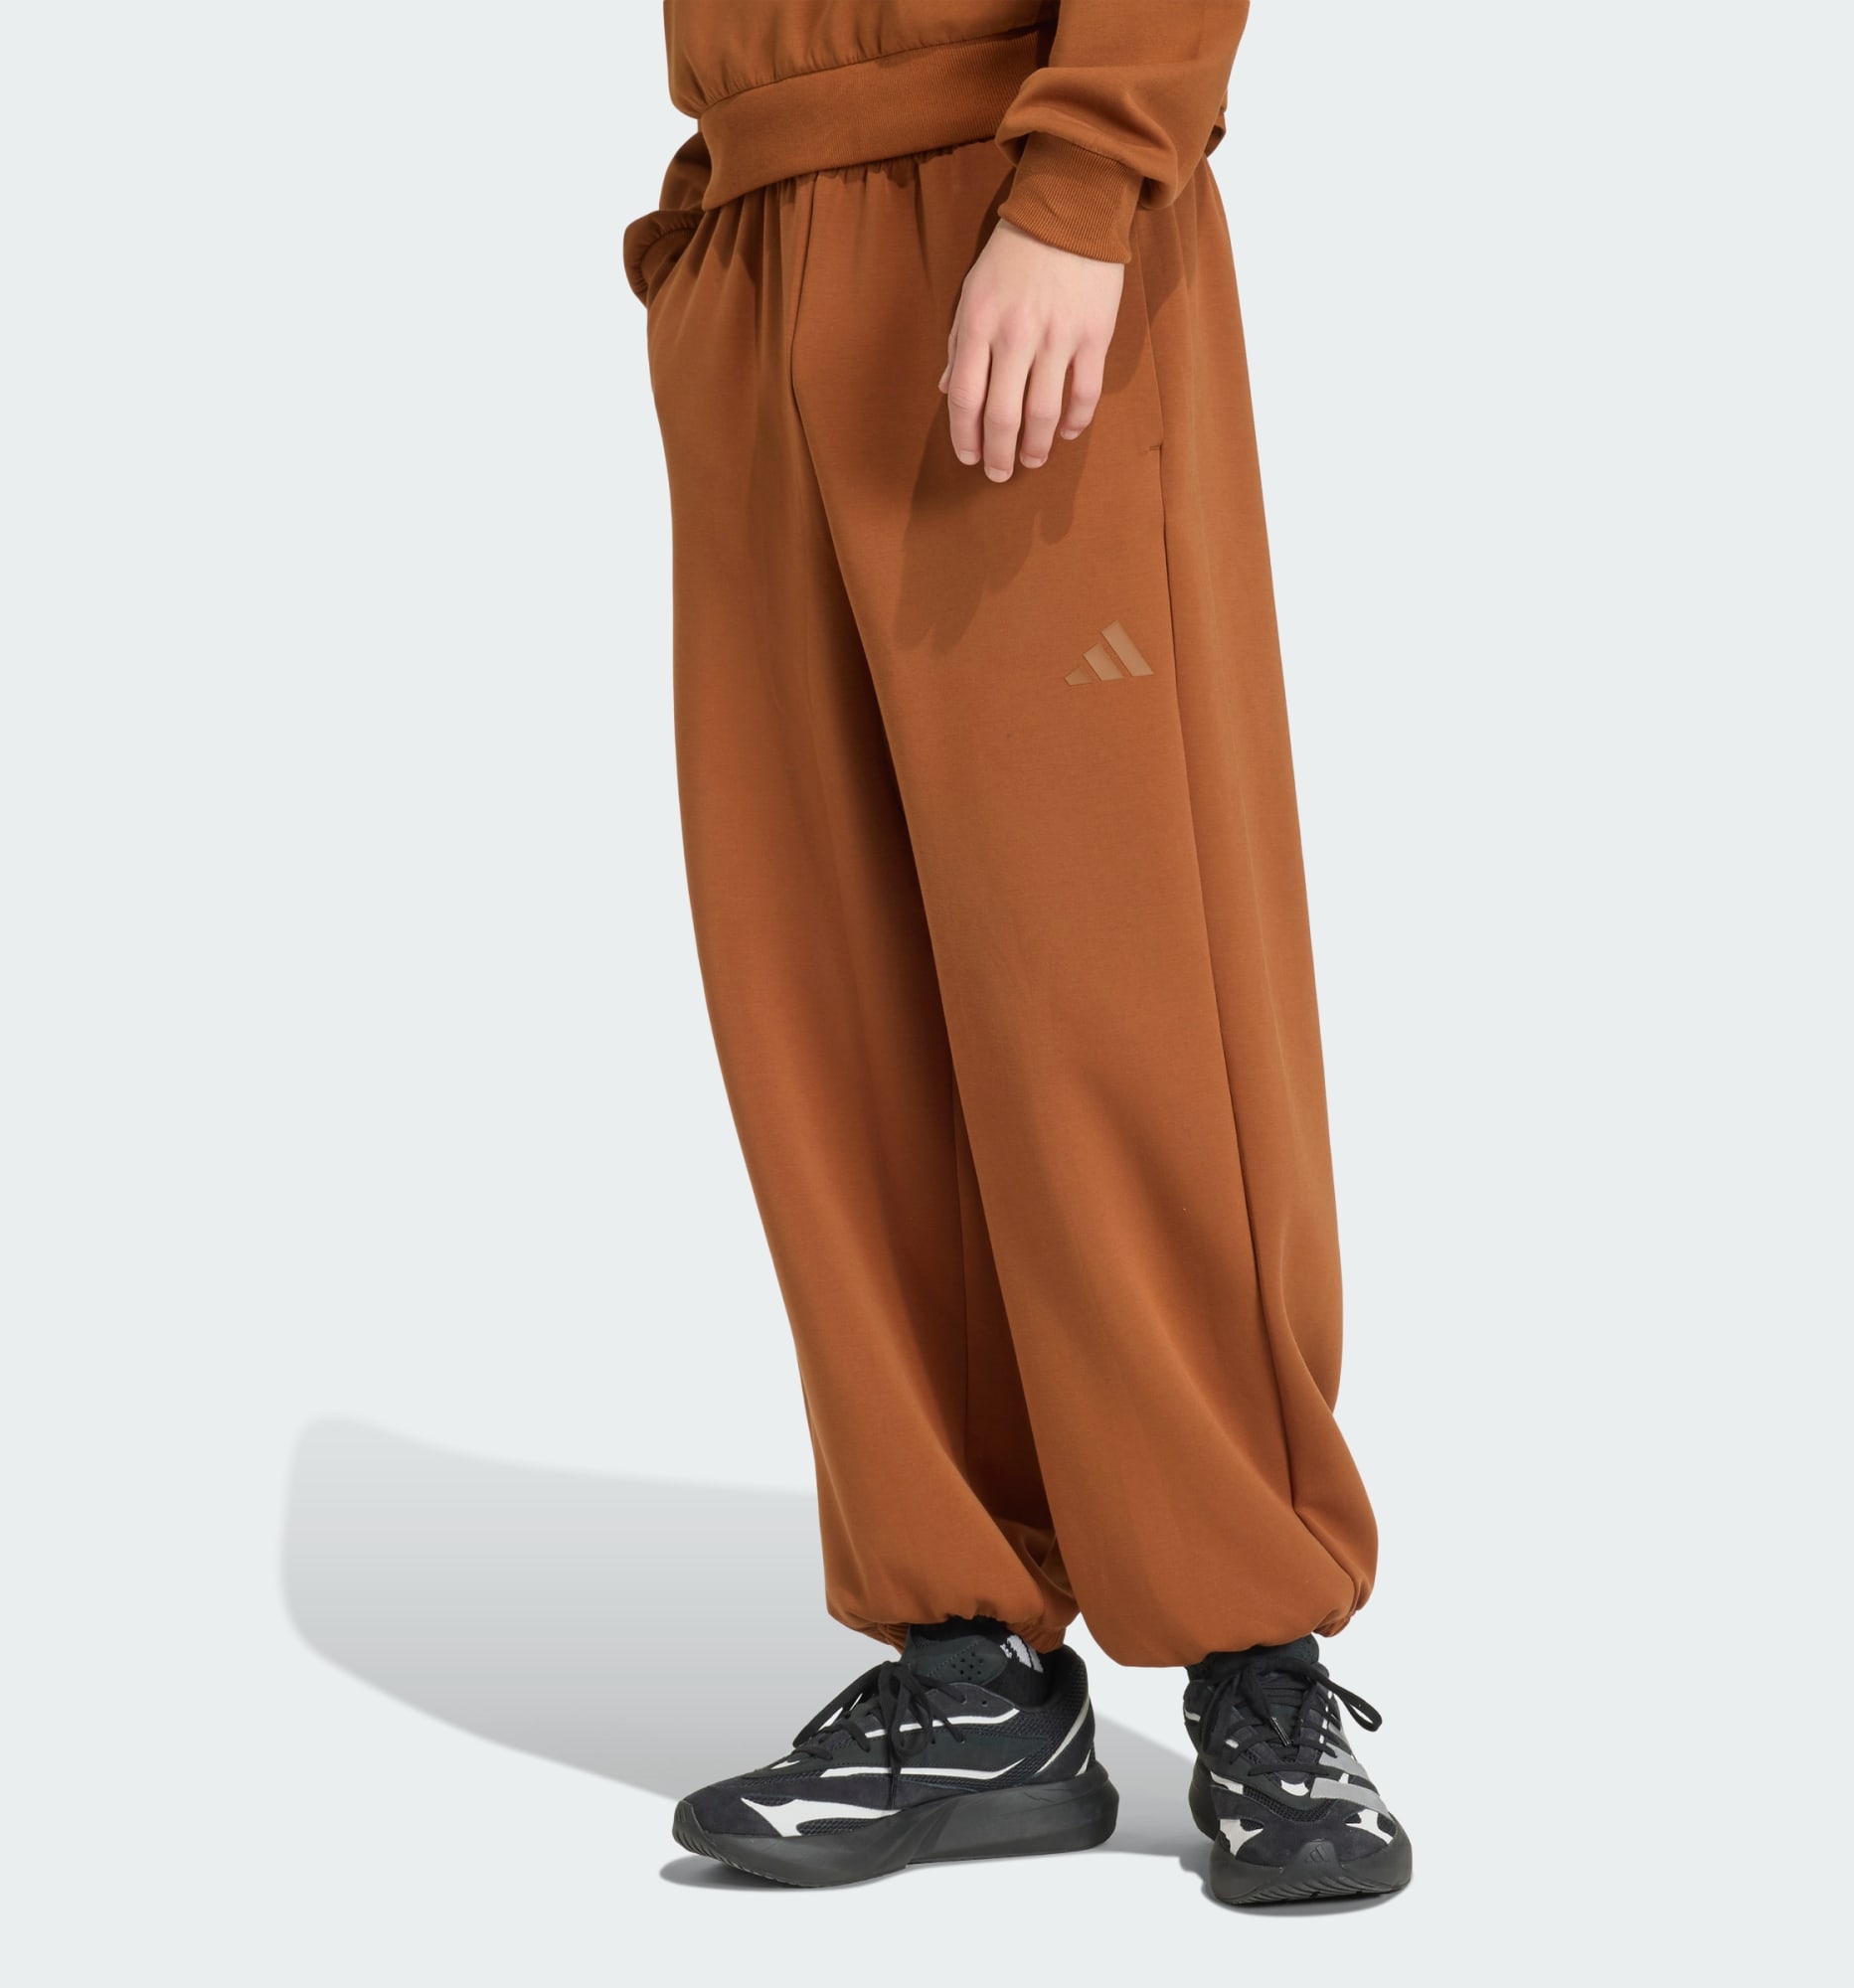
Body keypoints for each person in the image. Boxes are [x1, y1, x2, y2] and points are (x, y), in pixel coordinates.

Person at [624, 0, 1409, 1905]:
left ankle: (1257, 1648)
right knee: (828, 992)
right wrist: (711, 239)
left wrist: (1084, 178)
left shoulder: (1055, 190)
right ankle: (970, 1661)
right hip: (761, 228)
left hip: (1006, 198)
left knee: (1121, 962)